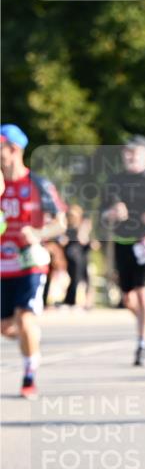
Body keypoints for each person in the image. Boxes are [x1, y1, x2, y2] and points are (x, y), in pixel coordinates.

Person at [0, 124, 65, 398]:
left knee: (25, 319)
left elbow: (61, 223)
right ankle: (32, 340)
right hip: (3, 265)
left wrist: (37, 233)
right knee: (6, 327)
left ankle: (29, 375)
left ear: (14, 150)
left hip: (31, 263)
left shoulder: (37, 184)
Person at [101, 135, 145, 366]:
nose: (131, 157)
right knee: (129, 299)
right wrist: (110, 213)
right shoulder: (114, 181)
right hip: (123, 243)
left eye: (136, 152)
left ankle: (143, 346)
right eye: (127, 152)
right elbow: (100, 214)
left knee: (143, 294)